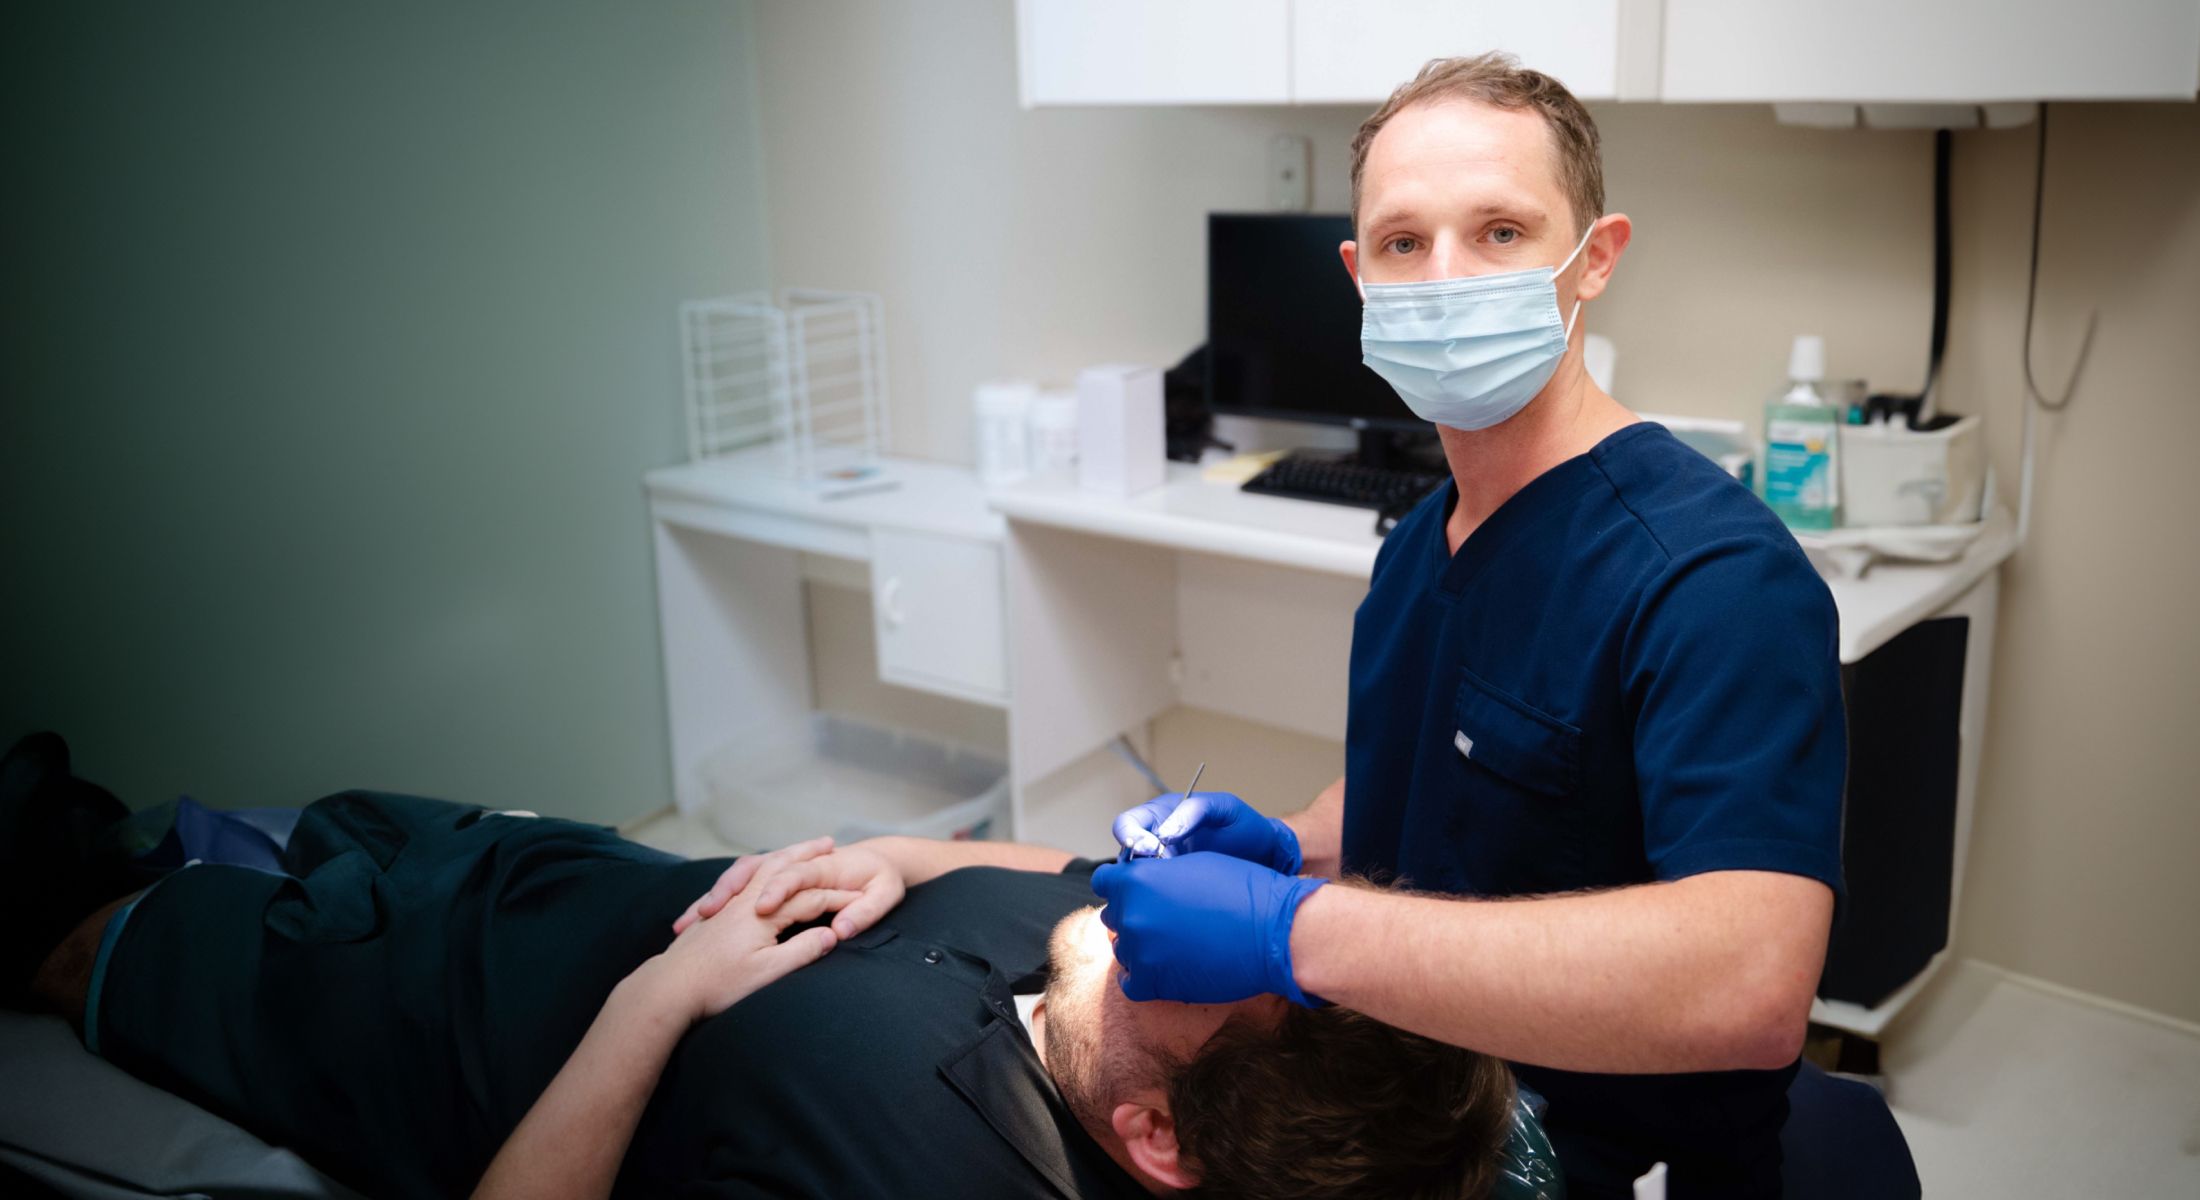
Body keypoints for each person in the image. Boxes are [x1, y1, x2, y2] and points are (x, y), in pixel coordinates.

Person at [1101, 54, 1850, 1199]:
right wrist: (1293, 844)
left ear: (1592, 258)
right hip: (1413, 1115)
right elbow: (1467, 798)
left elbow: (1750, 986)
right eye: (1404, 243)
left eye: (1499, 231)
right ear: (1358, 276)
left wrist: (1292, 930)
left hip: (1606, 1163)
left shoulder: (1711, 577)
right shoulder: (1419, 546)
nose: (1444, 277)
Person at [4, 732, 1519, 1200]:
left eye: (1219, 953)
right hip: (544, 863)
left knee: (81, 929)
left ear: (1157, 1137)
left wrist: (655, 1003)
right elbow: (1055, 878)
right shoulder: (1150, 980)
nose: (1171, 906)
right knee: (283, 819)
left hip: (411, 1007)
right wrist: (898, 859)